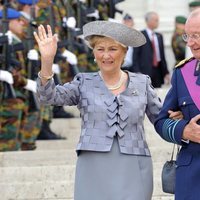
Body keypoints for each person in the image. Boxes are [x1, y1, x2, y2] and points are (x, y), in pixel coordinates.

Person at [34, 20, 182, 200]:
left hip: (134, 165)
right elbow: (48, 97)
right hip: (93, 166)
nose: (106, 55)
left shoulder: (142, 83)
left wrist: (180, 120)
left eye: (112, 49)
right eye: (100, 49)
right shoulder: (83, 83)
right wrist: (47, 61)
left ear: (124, 52)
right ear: (94, 53)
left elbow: (162, 119)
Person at [154, 8, 200, 200]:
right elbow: (161, 121)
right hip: (192, 179)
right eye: (187, 36)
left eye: (196, 36)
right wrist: (183, 131)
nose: (190, 43)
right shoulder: (183, 73)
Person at [131, 11, 170, 88]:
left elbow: (162, 56)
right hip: (144, 71)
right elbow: (135, 57)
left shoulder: (159, 36)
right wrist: (137, 73)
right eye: (156, 20)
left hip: (158, 71)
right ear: (149, 21)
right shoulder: (140, 35)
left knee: (157, 94)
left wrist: (166, 72)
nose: (158, 22)